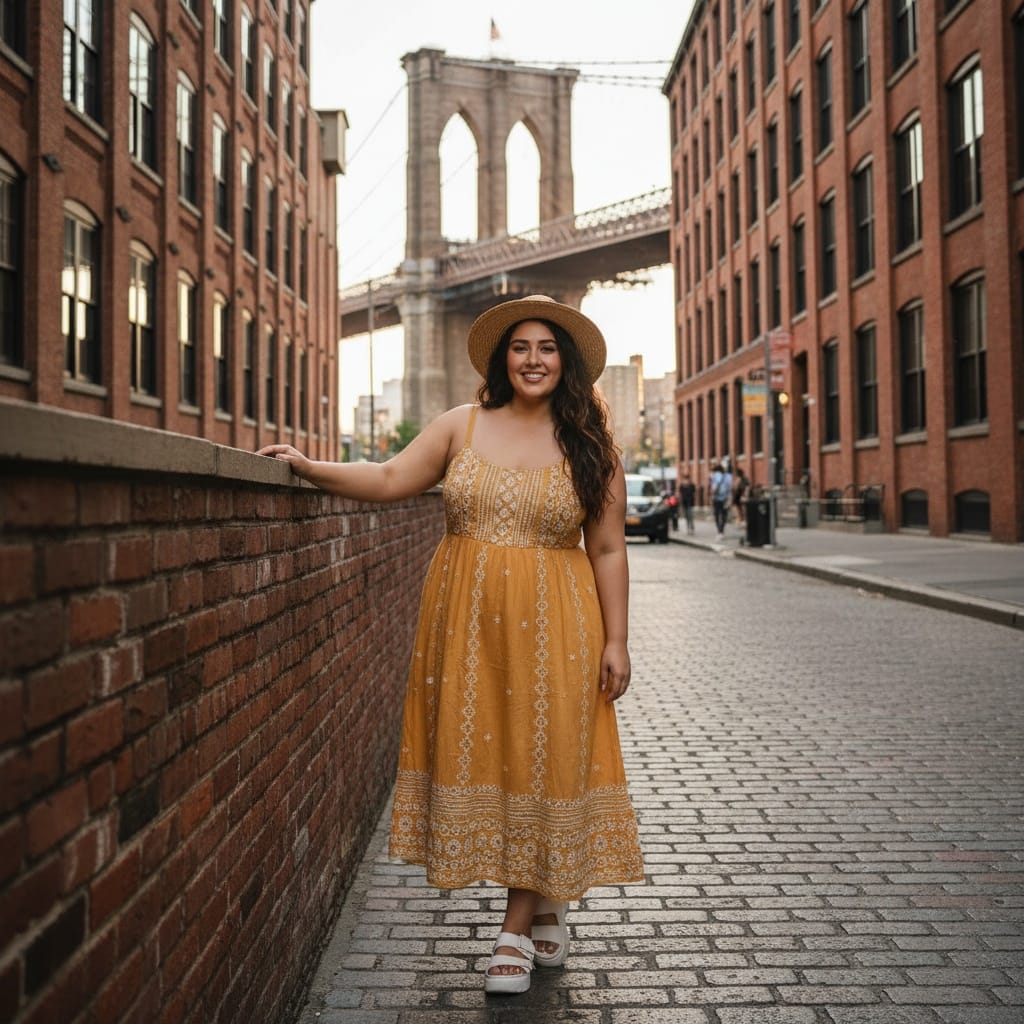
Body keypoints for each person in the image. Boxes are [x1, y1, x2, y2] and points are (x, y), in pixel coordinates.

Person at [257, 295, 644, 996]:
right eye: (521, 347)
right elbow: (386, 479)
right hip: (466, 626)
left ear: (568, 364)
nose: (533, 360)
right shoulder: (460, 427)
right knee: (500, 755)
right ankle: (547, 899)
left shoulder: (591, 450)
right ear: (503, 359)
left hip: (559, 622)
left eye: (547, 348)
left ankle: (513, 929)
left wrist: (617, 639)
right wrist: (311, 467)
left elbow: (610, 548)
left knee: (544, 758)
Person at [709, 462, 732, 540]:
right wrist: (730, 499)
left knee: (717, 515)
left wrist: (711, 494)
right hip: (725, 499)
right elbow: (730, 489)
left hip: (717, 498)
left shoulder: (715, 475)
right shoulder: (729, 476)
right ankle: (722, 531)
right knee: (724, 515)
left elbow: (714, 488)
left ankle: (719, 532)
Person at [678, 471, 696, 536]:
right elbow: (680, 495)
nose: (686, 480)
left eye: (687, 479)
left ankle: (692, 527)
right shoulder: (682, 486)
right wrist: (680, 503)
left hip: (690, 503)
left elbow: (694, 494)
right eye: (685, 479)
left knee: (690, 516)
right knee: (686, 516)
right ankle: (688, 528)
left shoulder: (692, 485)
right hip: (684, 503)